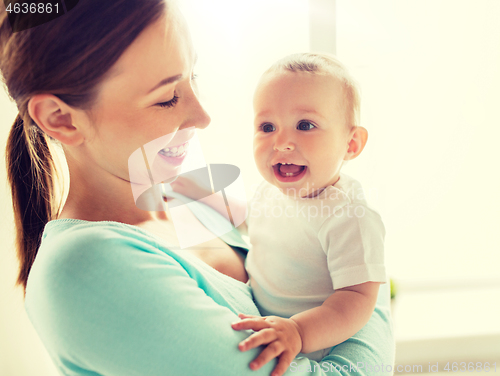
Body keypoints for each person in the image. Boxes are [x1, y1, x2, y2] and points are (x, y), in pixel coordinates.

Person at [1, 1, 394, 375]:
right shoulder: (84, 271)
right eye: (167, 98)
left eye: (194, 77)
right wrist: (360, 265)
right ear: (60, 118)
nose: (203, 116)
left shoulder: (188, 186)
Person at [172, 53, 387, 376]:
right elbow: (253, 222)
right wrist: (200, 196)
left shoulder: (348, 216)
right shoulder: (270, 190)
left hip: (315, 342)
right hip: (266, 318)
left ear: (351, 143)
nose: (282, 142)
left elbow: (358, 298)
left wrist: (300, 332)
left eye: (305, 125)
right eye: (267, 127)